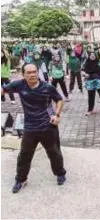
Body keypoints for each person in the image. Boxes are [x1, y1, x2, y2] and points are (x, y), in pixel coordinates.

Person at [1, 63, 67, 193]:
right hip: (30, 127)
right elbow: (3, 90)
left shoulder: (47, 87)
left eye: (34, 72)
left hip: (48, 126)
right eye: (29, 72)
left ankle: (60, 173)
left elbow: (59, 100)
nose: (32, 75)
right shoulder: (19, 85)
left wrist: (57, 114)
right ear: (23, 74)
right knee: (24, 155)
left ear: (38, 72)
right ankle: (21, 179)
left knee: (54, 152)